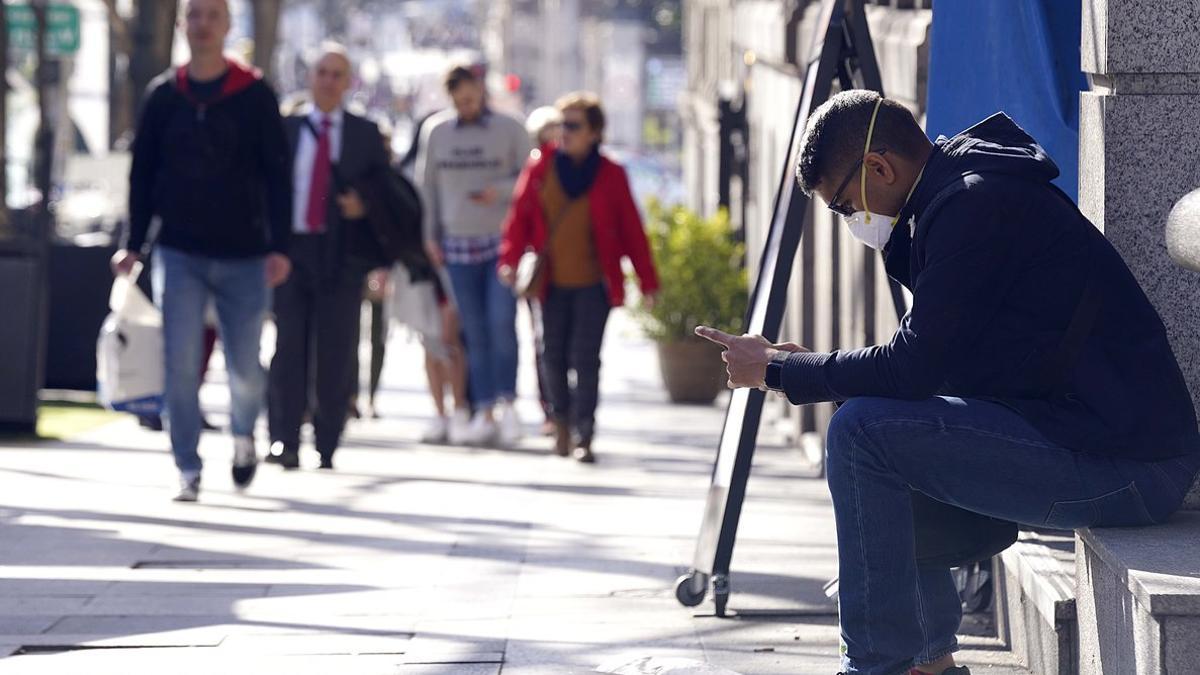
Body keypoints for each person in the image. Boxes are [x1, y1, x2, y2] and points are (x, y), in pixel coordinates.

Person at [699, 90, 1200, 675]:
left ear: (878, 167)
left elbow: (913, 366)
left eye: (841, 206)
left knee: (863, 432)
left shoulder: (972, 206)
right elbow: (923, 368)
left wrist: (782, 371)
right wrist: (807, 369)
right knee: (882, 422)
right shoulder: (959, 196)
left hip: (1131, 468)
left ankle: (877, 667)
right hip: (1100, 444)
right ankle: (927, 662)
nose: (849, 222)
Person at [112, 0, 291, 502]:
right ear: (183, 24)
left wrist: (280, 247)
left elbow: (278, 177)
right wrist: (133, 245)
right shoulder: (164, 95)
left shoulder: (254, 95)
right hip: (179, 251)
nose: (203, 25)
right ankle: (187, 466)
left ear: (228, 26)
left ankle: (241, 437)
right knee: (180, 362)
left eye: (213, 15)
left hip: (246, 254)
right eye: (194, 15)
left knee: (245, 366)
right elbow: (142, 176)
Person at [499, 92, 659, 463]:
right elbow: (519, 217)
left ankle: (585, 433)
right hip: (551, 282)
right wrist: (509, 259)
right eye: (560, 124)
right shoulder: (540, 167)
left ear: (594, 132)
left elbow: (632, 230)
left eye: (572, 126)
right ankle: (561, 422)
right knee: (551, 354)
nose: (563, 132)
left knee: (585, 359)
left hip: (594, 284)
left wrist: (647, 281)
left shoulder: (611, 174)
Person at [265, 43, 392, 471]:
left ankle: (328, 438)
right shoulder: (285, 129)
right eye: (322, 72)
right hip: (292, 251)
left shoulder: (365, 134)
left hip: (342, 255)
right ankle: (283, 438)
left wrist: (364, 206)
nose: (328, 81)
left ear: (349, 82)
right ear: (310, 77)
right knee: (288, 346)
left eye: (338, 74)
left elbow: (386, 194)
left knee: (336, 350)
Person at [415, 65, 531, 446]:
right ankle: (483, 408)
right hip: (456, 245)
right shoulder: (437, 131)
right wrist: (429, 236)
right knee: (473, 330)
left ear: (482, 91)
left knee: (501, 322)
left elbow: (531, 178)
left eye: (471, 97)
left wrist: (498, 192)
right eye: (459, 101)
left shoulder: (510, 128)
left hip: (501, 243)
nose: (466, 106)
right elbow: (427, 187)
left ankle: (509, 403)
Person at [522, 105, 564, 436]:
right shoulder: (533, 169)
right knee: (543, 341)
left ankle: (565, 407)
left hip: (575, 268)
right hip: (540, 268)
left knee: (569, 344)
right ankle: (551, 408)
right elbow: (519, 217)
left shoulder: (580, 167)